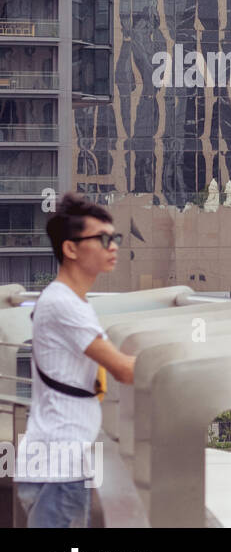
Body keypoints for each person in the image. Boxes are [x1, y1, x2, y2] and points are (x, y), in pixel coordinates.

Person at [16, 193, 136, 527]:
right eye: (102, 239)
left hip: (57, 462)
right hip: (58, 467)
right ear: (70, 249)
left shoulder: (67, 300)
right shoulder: (64, 305)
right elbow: (124, 370)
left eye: (114, 238)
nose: (112, 246)